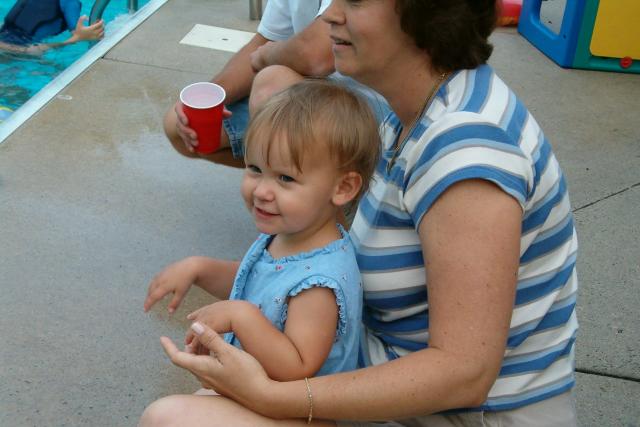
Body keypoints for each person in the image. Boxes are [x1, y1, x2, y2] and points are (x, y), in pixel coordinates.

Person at [140, 0, 579, 426]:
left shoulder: (467, 152)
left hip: (468, 417)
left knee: (171, 418)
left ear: (425, 11)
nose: (331, 14)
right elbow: (298, 277)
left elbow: (464, 373)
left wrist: (268, 396)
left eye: (355, 0)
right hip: (394, 389)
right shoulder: (410, 113)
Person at [144, 80, 381, 382]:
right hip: (259, 390)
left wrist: (240, 316)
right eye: (255, 169)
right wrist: (200, 268)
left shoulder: (320, 285)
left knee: (166, 409)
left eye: (285, 178)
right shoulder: (292, 235)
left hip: (292, 404)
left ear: (343, 188)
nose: (261, 191)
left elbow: (298, 366)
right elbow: (260, 282)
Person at [165, 0, 388, 167]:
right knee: (182, 124)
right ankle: (288, 183)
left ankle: (321, 204)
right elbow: (264, 42)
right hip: (323, 95)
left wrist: (267, 56)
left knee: (272, 86)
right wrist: (211, 99)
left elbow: (314, 56)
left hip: (380, 111)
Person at [0, 0, 104, 55]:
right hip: (22, 50)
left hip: (4, 39)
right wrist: (81, 37)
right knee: (36, 52)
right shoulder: (70, 3)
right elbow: (78, 33)